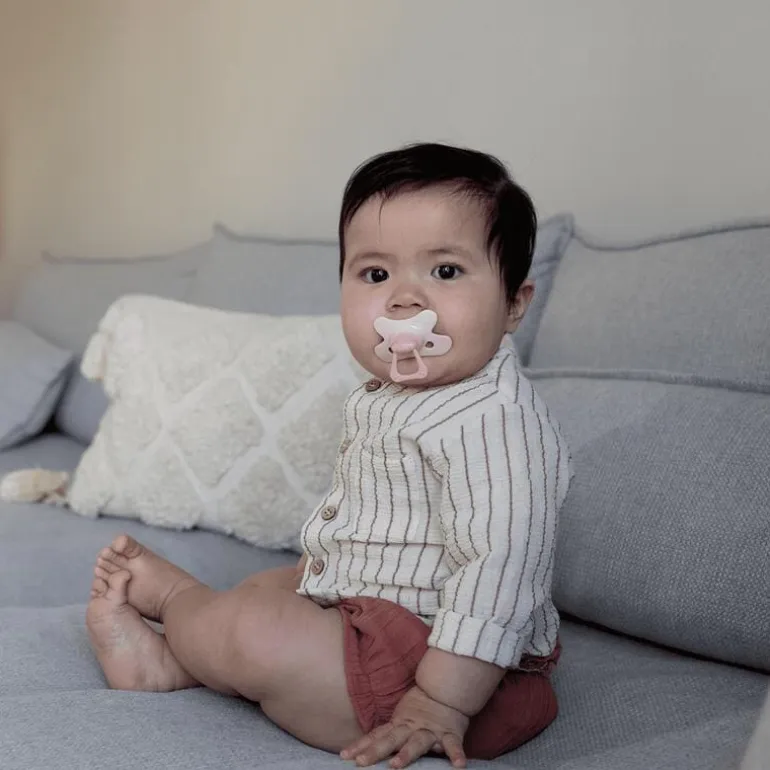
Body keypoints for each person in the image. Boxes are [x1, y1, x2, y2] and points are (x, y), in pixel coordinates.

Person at [86, 142, 573, 769]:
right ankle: (174, 662)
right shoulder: (399, 393)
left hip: (454, 673)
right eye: (376, 275)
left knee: (259, 630)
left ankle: (178, 604)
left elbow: (500, 569)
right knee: (272, 585)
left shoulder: (494, 420)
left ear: (513, 305)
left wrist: (440, 703)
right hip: (375, 618)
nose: (404, 300)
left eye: (446, 271)